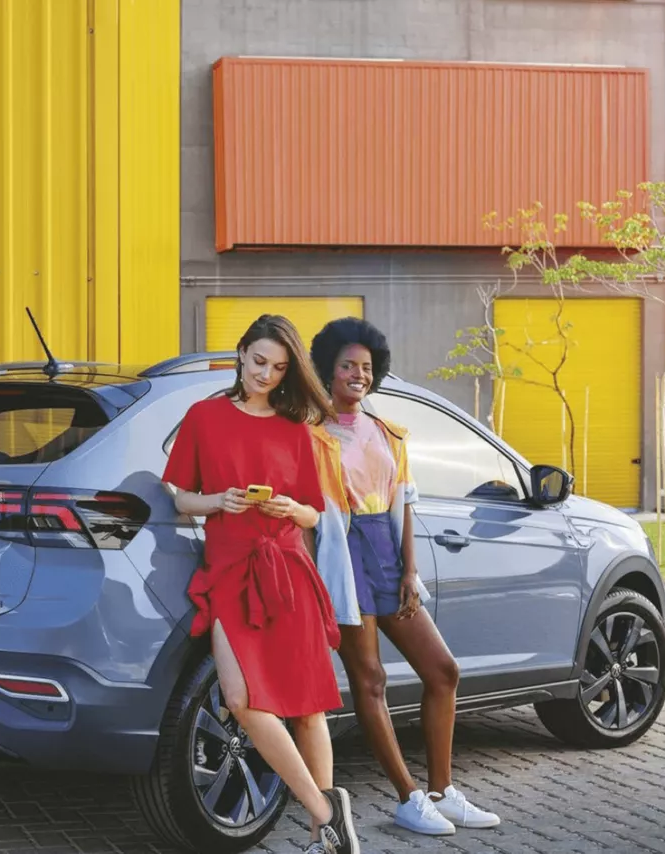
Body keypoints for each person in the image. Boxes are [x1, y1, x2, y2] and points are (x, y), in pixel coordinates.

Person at [163, 314, 358, 854]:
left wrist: (291, 506)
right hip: (230, 572)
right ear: (241, 353)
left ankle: (326, 839)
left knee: (308, 705)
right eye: (258, 362)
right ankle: (326, 809)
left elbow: (316, 515)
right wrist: (217, 501)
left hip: (287, 570)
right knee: (242, 698)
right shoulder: (203, 416)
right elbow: (180, 497)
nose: (266, 375)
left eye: (277, 368)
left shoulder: (295, 428)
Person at [308, 317, 501, 836]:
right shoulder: (312, 437)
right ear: (328, 370)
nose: (358, 374)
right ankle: (408, 797)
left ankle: (442, 790)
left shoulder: (389, 434)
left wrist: (410, 571)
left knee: (443, 671)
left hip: (387, 556)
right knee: (369, 681)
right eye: (348, 365)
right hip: (344, 561)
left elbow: (405, 504)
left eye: (366, 367)